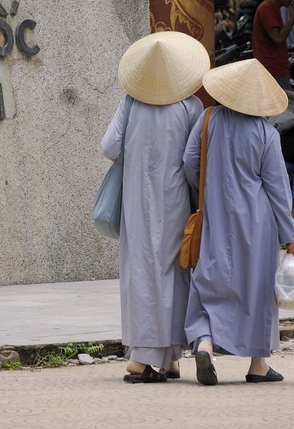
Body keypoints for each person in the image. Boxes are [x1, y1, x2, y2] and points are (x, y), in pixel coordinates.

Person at [100, 29, 210, 383]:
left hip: (136, 199)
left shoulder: (130, 102)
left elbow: (109, 147)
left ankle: (145, 357)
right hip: (176, 199)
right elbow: (195, 159)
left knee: (141, 273)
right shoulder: (190, 106)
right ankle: (169, 355)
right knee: (173, 272)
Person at [185, 59, 294, 385]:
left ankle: (205, 343)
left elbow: (189, 162)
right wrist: (290, 235)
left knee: (209, 281)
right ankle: (258, 365)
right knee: (258, 291)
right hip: (257, 224)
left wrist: (205, 192)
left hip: (215, 216)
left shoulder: (208, 120)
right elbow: (278, 189)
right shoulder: (266, 133)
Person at [252, 0, 294, 84]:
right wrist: (293, 18)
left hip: (276, 70)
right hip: (273, 72)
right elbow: (278, 38)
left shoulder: (274, 8)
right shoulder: (267, 8)